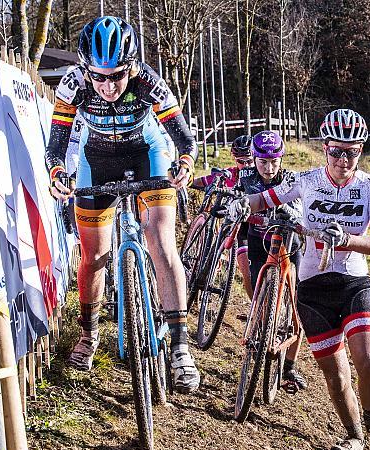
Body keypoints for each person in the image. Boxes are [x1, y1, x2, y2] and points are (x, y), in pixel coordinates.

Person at [226, 110, 370, 450]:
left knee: (367, 361)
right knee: (336, 377)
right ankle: (354, 436)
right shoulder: (306, 180)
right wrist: (242, 203)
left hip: (354, 284)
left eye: (351, 151)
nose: (343, 159)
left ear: (360, 150)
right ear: (325, 148)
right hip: (313, 290)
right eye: (336, 151)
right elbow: (268, 198)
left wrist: (347, 238)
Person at [46, 16, 200, 393]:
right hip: (95, 160)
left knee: (162, 243)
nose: (108, 85)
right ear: (86, 69)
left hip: (147, 153)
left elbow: (185, 141)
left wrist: (185, 163)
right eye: (99, 76)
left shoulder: (149, 82)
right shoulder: (73, 85)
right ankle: (89, 335)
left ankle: (180, 347)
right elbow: (56, 145)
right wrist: (55, 174)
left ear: (132, 66)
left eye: (117, 75)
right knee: (93, 256)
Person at [237, 130, 307, 391]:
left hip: (289, 244)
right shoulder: (246, 177)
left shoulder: (291, 179)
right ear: (254, 159)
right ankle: (259, 336)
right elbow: (235, 195)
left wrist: (291, 211)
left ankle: (290, 367)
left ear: (281, 159)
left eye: (274, 162)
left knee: (297, 304)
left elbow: (301, 206)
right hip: (258, 240)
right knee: (259, 296)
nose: (268, 168)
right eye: (263, 162)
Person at [191, 135, 254, 298]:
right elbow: (203, 181)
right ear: (235, 159)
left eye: (250, 161)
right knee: (246, 270)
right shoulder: (230, 175)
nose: (246, 165)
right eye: (241, 161)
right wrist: (185, 182)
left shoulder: (261, 175)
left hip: (258, 227)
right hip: (237, 229)